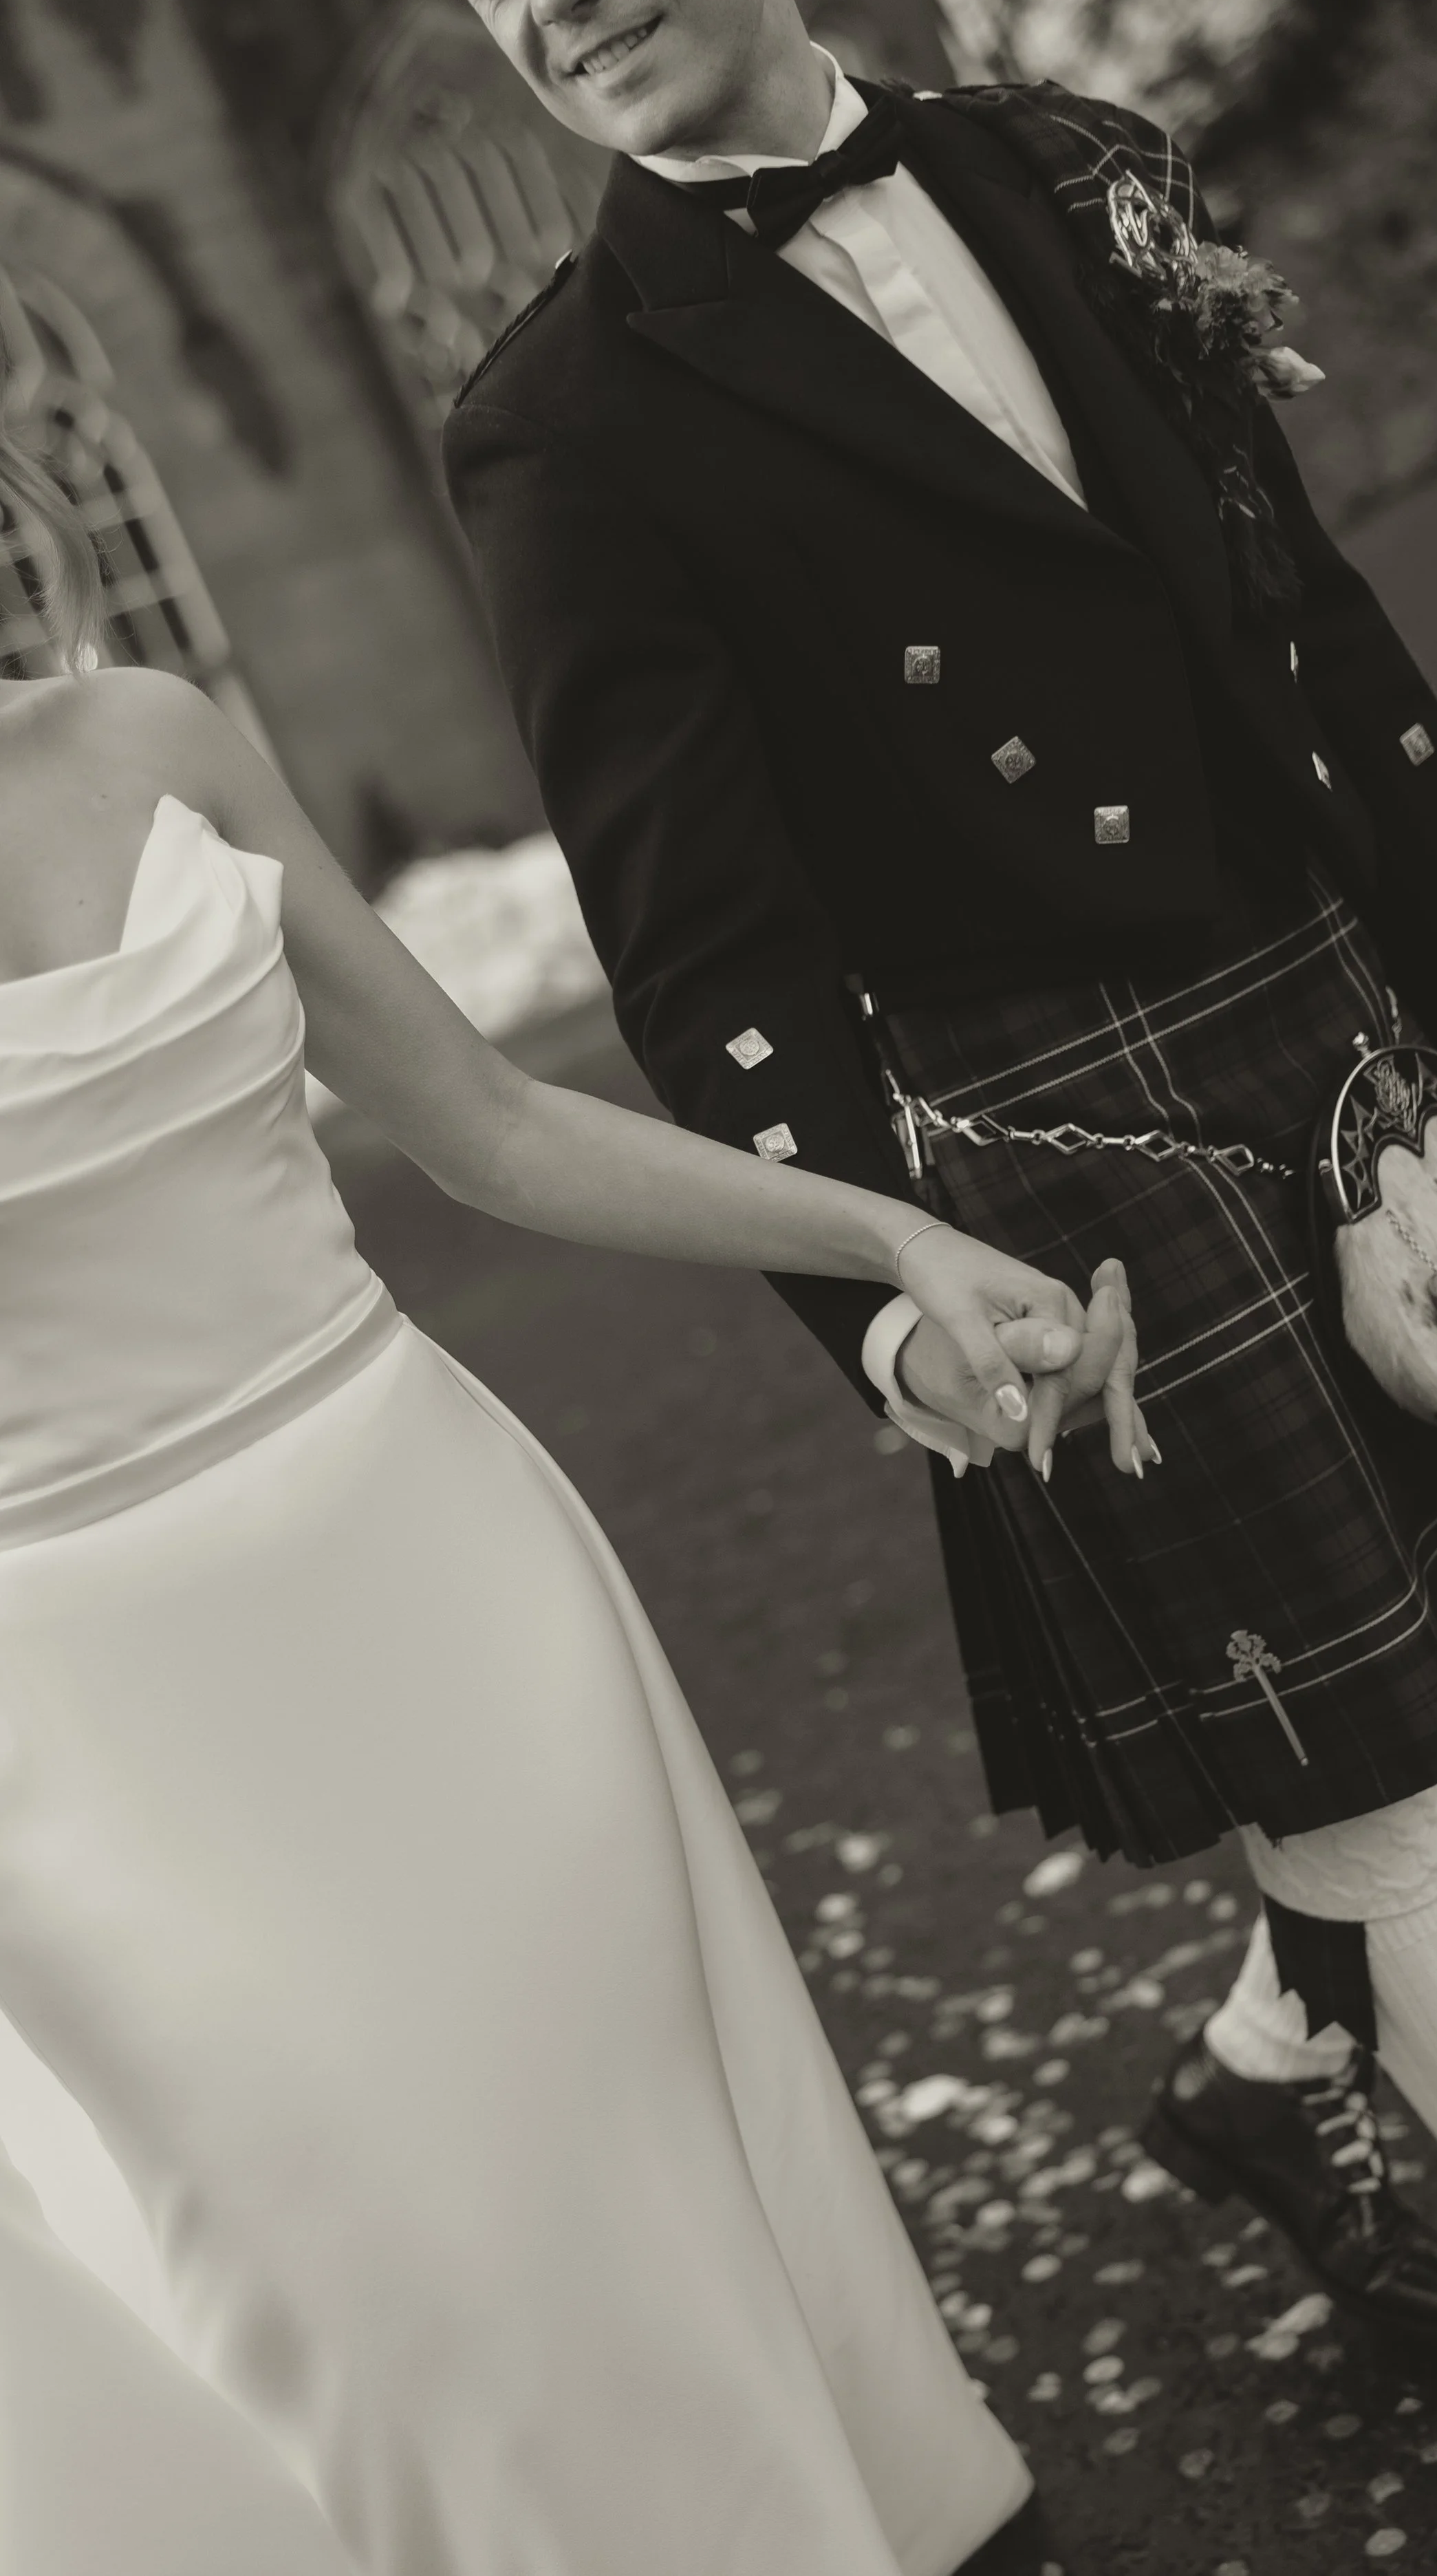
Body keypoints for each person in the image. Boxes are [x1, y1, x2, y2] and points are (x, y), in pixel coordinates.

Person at [446, 1, 1437, 2564]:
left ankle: (1266, 2068)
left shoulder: (1061, 163)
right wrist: (884, 1294)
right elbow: (699, 943)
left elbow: (1292, 590)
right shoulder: (566, 410)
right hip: (1055, 1127)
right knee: (1353, 1759)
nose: (552, 7)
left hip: (1319, 994)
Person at [0, 420, 1149, 2574]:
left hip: (425, 1559)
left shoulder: (149, 732)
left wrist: (887, 1238)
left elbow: (490, 1121)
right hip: (72, 1716)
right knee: (355, 2260)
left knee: (601, 2158)